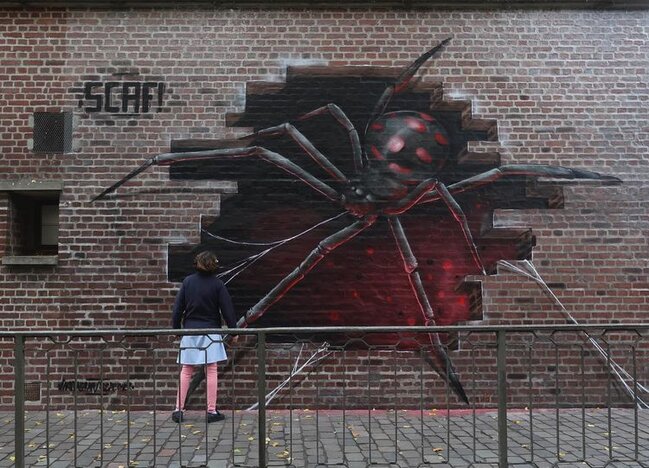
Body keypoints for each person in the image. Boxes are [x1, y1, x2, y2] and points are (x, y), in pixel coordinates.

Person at [171, 250, 237, 423]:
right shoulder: (218, 285)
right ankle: (211, 411)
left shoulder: (188, 282)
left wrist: (176, 330)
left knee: (186, 369)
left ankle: (178, 409)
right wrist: (234, 331)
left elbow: (177, 309)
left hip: (190, 331)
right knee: (211, 370)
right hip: (211, 332)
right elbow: (227, 310)